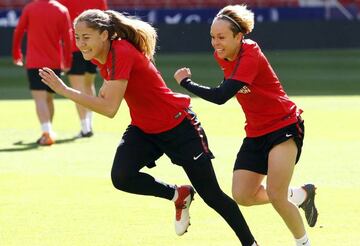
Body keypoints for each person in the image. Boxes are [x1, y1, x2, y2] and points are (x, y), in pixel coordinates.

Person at [39, 9, 259, 246]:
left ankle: (251, 244)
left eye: (86, 37)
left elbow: (109, 109)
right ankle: (178, 194)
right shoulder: (102, 54)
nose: (80, 43)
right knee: (122, 176)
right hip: (145, 129)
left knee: (212, 196)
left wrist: (64, 90)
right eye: (77, 36)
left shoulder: (120, 51)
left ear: (104, 35)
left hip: (179, 126)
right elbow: (121, 81)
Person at [174, 4, 318, 246]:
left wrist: (186, 82)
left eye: (221, 37)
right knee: (242, 195)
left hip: (284, 125)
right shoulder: (222, 55)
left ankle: (303, 243)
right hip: (255, 132)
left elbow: (221, 96)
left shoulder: (249, 51)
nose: (215, 43)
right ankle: (302, 194)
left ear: (239, 36)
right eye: (212, 37)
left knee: (275, 195)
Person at [12, 0, 72, 146]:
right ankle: (48, 131)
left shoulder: (30, 8)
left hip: (34, 62)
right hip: (54, 62)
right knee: (49, 98)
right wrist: (67, 61)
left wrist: (16, 53)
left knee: (40, 99)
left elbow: (19, 31)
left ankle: (46, 132)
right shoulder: (61, 9)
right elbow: (68, 38)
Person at [58, 0, 108, 138]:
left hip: (73, 45)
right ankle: (89, 124)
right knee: (88, 84)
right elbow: (104, 18)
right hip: (93, 46)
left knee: (78, 87)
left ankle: (85, 127)